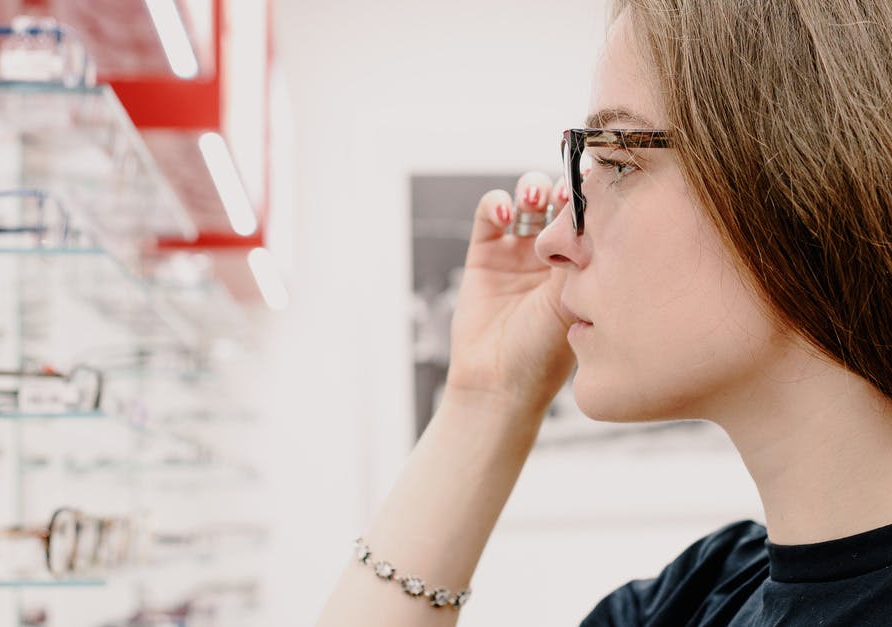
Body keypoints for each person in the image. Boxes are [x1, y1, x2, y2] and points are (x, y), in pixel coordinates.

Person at [314, 0, 892, 624]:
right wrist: (488, 396)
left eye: (616, 161)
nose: (551, 240)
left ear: (803, 177)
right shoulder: (701, 595)